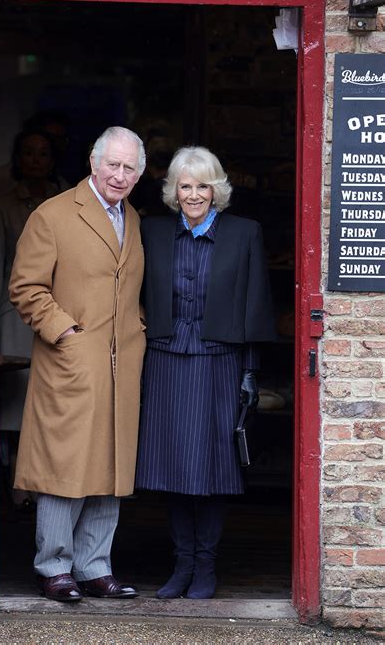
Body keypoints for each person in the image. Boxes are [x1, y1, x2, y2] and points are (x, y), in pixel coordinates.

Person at [9, 126, 147, 603]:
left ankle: (95, 567)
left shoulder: (133, 217)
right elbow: (26, 288)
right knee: (63, 465)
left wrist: (138, 328)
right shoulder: (52, 215)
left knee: (109, 465)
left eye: (130, 168)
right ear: (93, 161)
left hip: (121, 362)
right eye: (113, 164)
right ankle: (54, 566)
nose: (120, 175)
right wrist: (65, 333)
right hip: (71, 361)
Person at [135, 146, 276, 599]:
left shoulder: (244, 233)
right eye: (185, 185)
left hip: (220, 362)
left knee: (213, 469)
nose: (194, 194)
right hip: (164, 359)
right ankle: (181, 565)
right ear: (173, 191)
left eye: (202, 185)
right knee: (172, 467)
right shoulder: (151, 232)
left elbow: (255, 306)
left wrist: (251, 372)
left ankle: (206, 566)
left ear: (217, 190)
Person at [0, 129, 68, 511]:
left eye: (43, 153)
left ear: (53, 160)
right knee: (17, 407)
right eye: (28, 153)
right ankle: (19, 488)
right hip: (15, 317)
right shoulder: (3, 206)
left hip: (64, 314)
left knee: (58, 404)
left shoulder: (72, 201)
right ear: (18, 160)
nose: (36, 160)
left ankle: (53, 488)